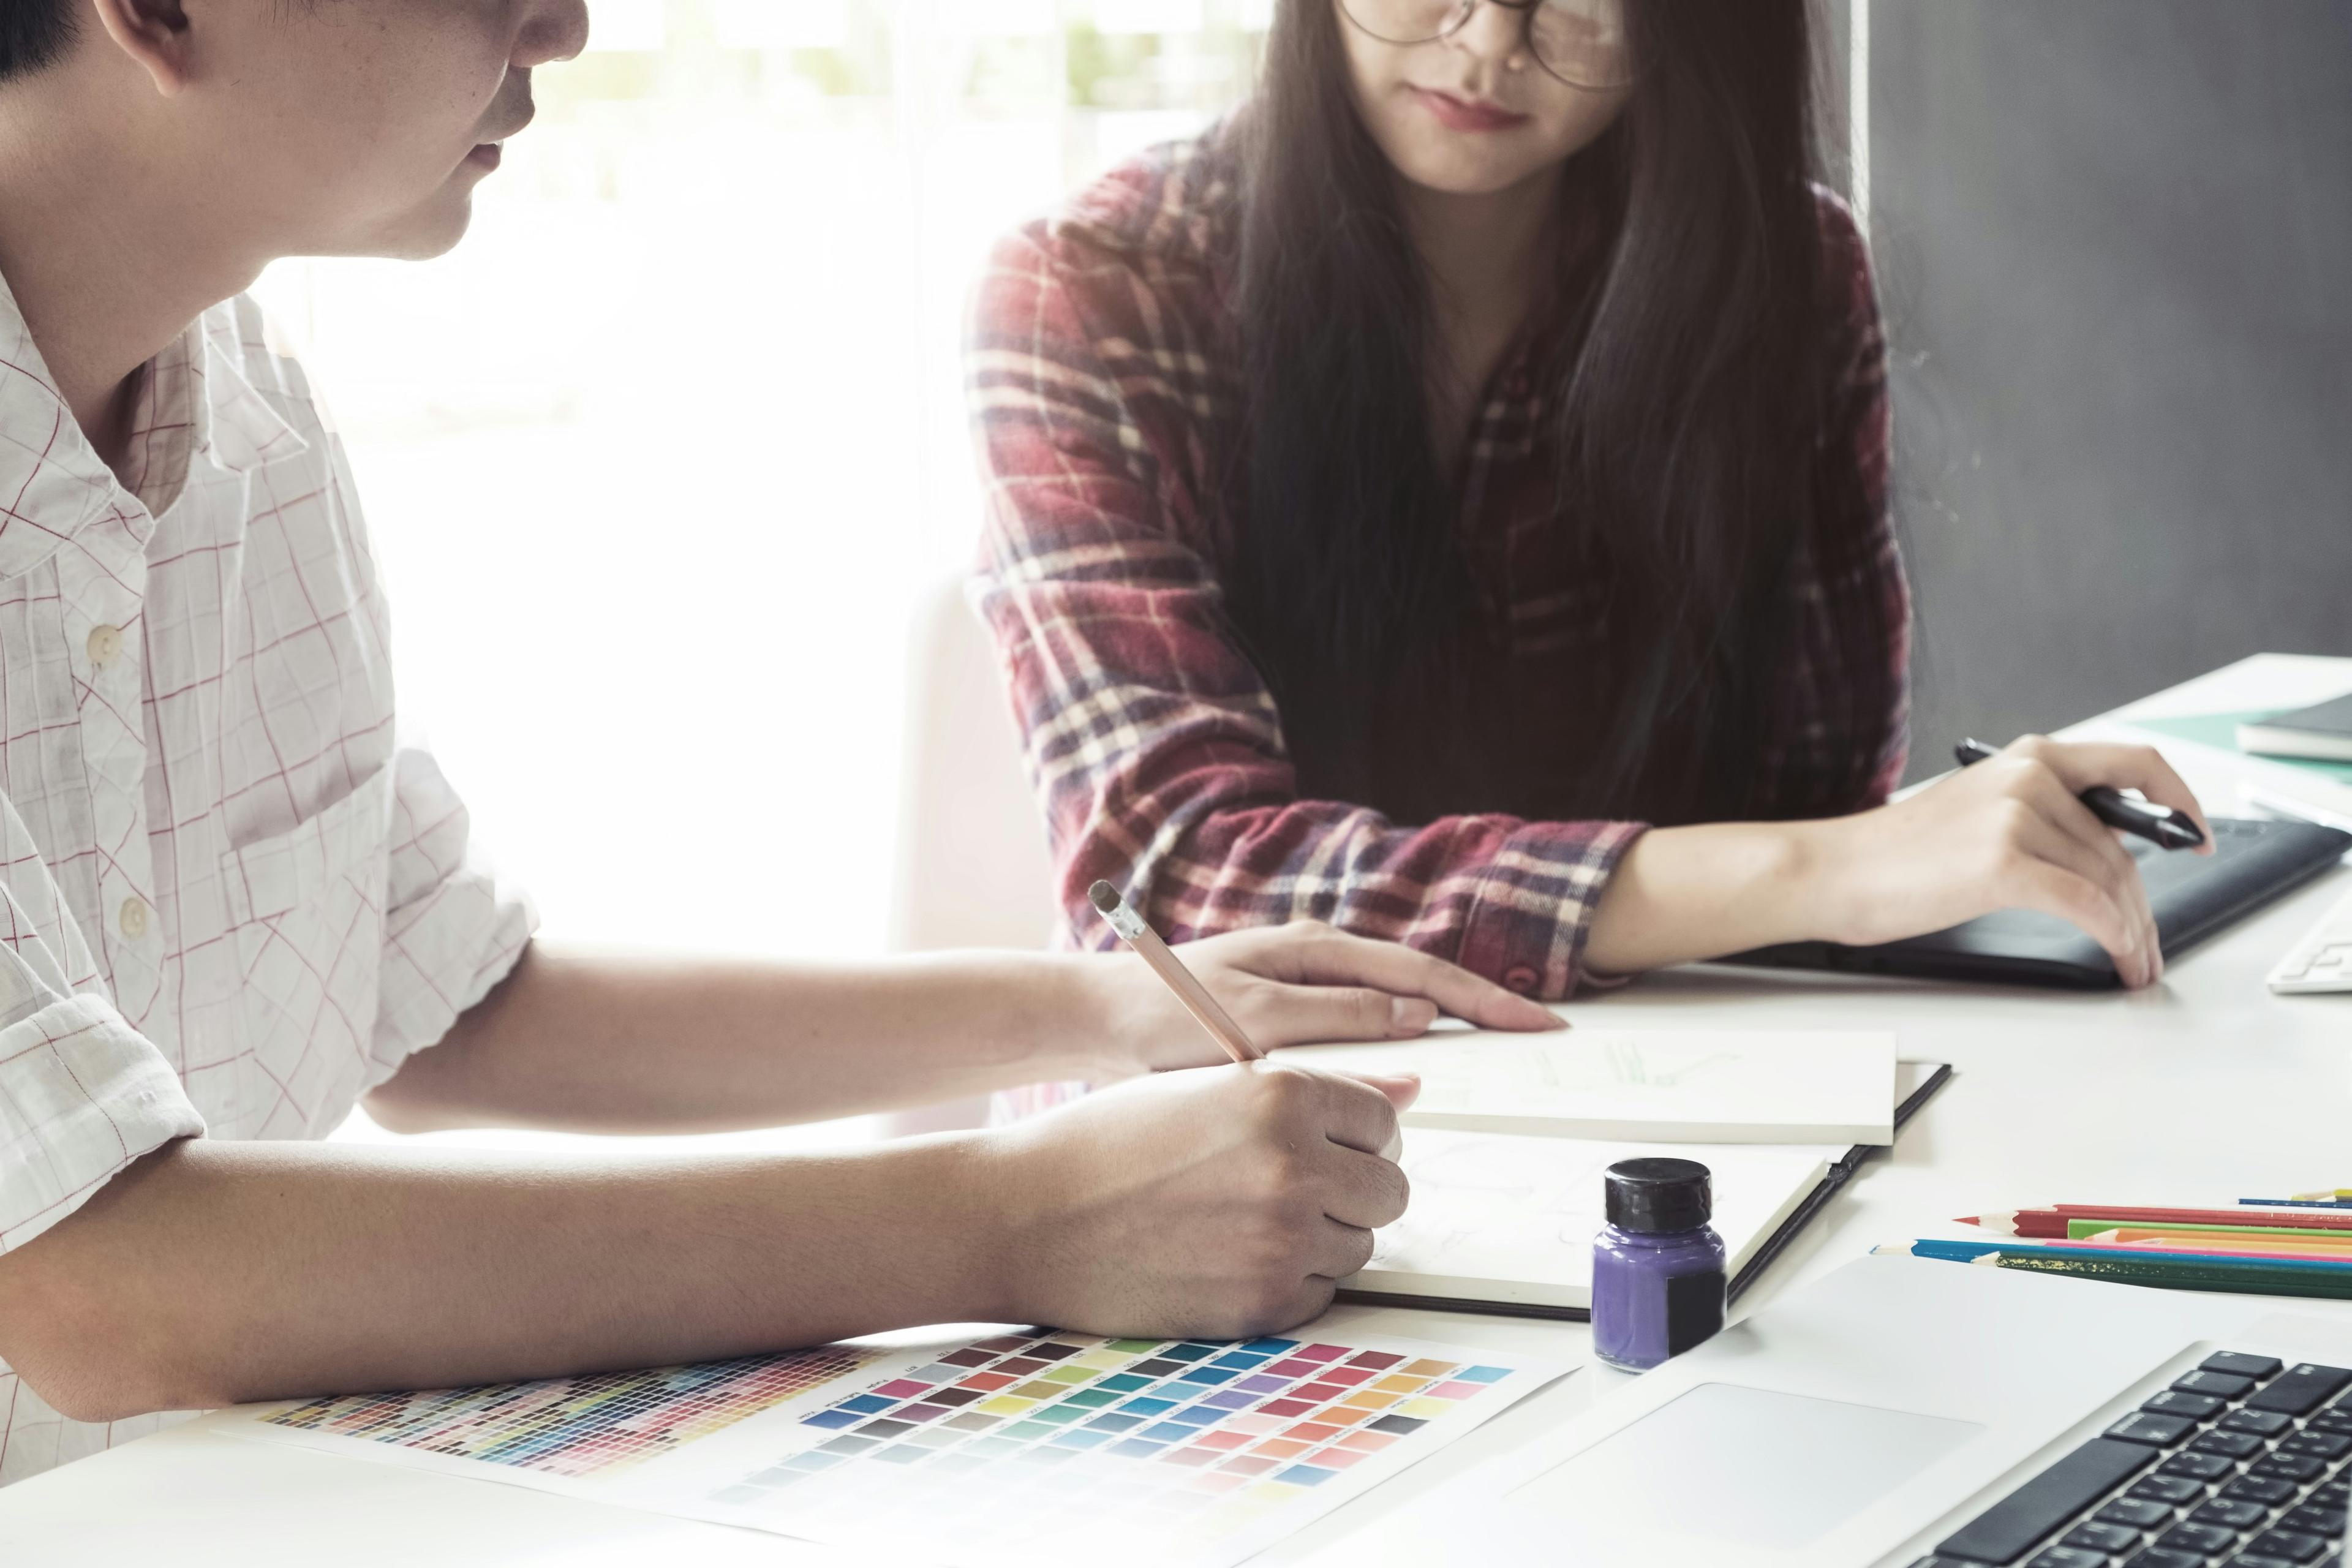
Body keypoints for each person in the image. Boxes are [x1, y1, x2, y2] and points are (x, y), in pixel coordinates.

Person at [0, 0, 1566, 1487]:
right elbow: (91, 1278)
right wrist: (1018, 1215)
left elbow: (445, 1007)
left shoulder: (251, 417)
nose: (566, 27)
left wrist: (1104, 1012)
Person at [967, 0, 2213, 1027]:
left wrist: (1925, 850)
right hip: (1227, 1138)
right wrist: (1824, 868)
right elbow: (1182, 888)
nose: (1493, 38)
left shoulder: (1786, 279)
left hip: (1671, 1083)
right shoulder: (1096, 292)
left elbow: (1809, 792)